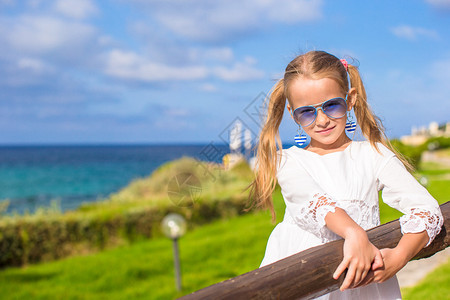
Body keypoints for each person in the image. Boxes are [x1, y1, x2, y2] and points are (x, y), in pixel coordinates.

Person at [248, 50, 444, 299]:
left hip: (363, 286)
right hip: (303, 278)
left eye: (332, 105)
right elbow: (315, 203)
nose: (322, 120)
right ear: (292, 113)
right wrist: (355, 232)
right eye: (307, 112)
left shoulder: (373, 155)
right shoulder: (289, 161)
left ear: (349, 99)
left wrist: (399, 256)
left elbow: (426, 208)